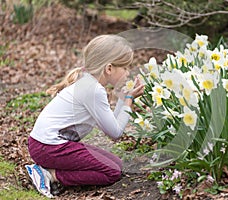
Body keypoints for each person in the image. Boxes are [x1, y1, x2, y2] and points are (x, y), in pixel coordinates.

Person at [25, 35, 144, 198]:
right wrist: (129, 100)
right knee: (113, 172)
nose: (128, 72)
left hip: (45, 144)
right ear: (109, 68)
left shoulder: (89, 83)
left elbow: (111, 125)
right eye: (125, 67)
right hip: (50, 148)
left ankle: (49, 169)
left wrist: (123, 100)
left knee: (117, 164)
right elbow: (115, 133)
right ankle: (49, 175)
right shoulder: (93, 90)